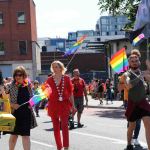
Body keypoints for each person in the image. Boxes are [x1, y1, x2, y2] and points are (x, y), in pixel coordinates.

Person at [5, 66, 37, 150]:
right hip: (14, 113)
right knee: (14, 136)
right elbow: (3, 100)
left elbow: (32, 98)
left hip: (26, 114)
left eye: (20, 75)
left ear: (24, 75)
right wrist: (12, 104)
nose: (17, 77)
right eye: (16, 75)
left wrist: (32, 104)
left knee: (26, 136)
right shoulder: (9, 86)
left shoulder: (28, 85)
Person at [46, 61, 76, 150]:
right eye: (53, 67)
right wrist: (32, 102)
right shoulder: (49, 80)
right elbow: (43, 93)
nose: (54, 69)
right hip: (53, 105)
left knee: (64, 126)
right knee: (56, 128)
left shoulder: (66, 79)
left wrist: (73, 106)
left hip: (64, 105)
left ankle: (66, 147)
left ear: (61, 68)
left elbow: (70, 93)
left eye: (56, 67)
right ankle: (59, 147)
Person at [123, 54, 150, 150]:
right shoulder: (127, 74)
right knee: (131, 127)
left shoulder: (142, 73)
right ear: (129, 63)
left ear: (139, 62)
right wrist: (140, 76)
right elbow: (129, 85)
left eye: (136, 61)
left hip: (143, 102)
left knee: (148, 124)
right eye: (132, 61)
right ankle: (129, 144)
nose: (134, 63)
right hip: (133, 103)